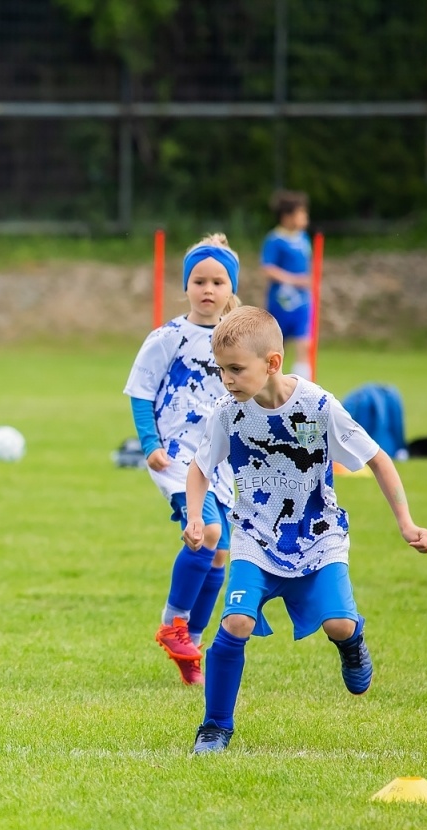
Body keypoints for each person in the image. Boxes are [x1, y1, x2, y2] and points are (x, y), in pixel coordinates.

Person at [183, 306, 427, 754]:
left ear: (273, 363)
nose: (227, 380)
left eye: (236, 370)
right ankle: (215, 727)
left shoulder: (318, 406)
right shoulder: (228, 413)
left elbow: (377, 458)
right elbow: (200, 468)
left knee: (337, 624)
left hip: (318, 539)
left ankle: (352, 641)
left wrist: (406, 522)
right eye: (222, 371)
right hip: (254, 540)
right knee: (236, 621)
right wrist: (197, 516)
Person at [122, 235, 242, 685]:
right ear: (185, 286)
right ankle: (173, 624)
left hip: (221, 461)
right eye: (198, 281)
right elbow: (140, 392)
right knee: (206, 530)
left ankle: (189, 640)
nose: (208, 289)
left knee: (220, 555)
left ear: (231, 289)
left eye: (217, 281)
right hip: (176, 456)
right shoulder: (168, 337)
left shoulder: (238, 339)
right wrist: (150, 443)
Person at [261, 190, 314, 379]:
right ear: (287, 216)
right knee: (276, 347)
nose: (305, 217)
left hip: (303, 301)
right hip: (281, 302)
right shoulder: (275, 240)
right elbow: (268, 268)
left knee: (304, 345)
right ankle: (273, 385)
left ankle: (304, 390)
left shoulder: (303, 239)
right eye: (301, 213)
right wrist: (293, 280)